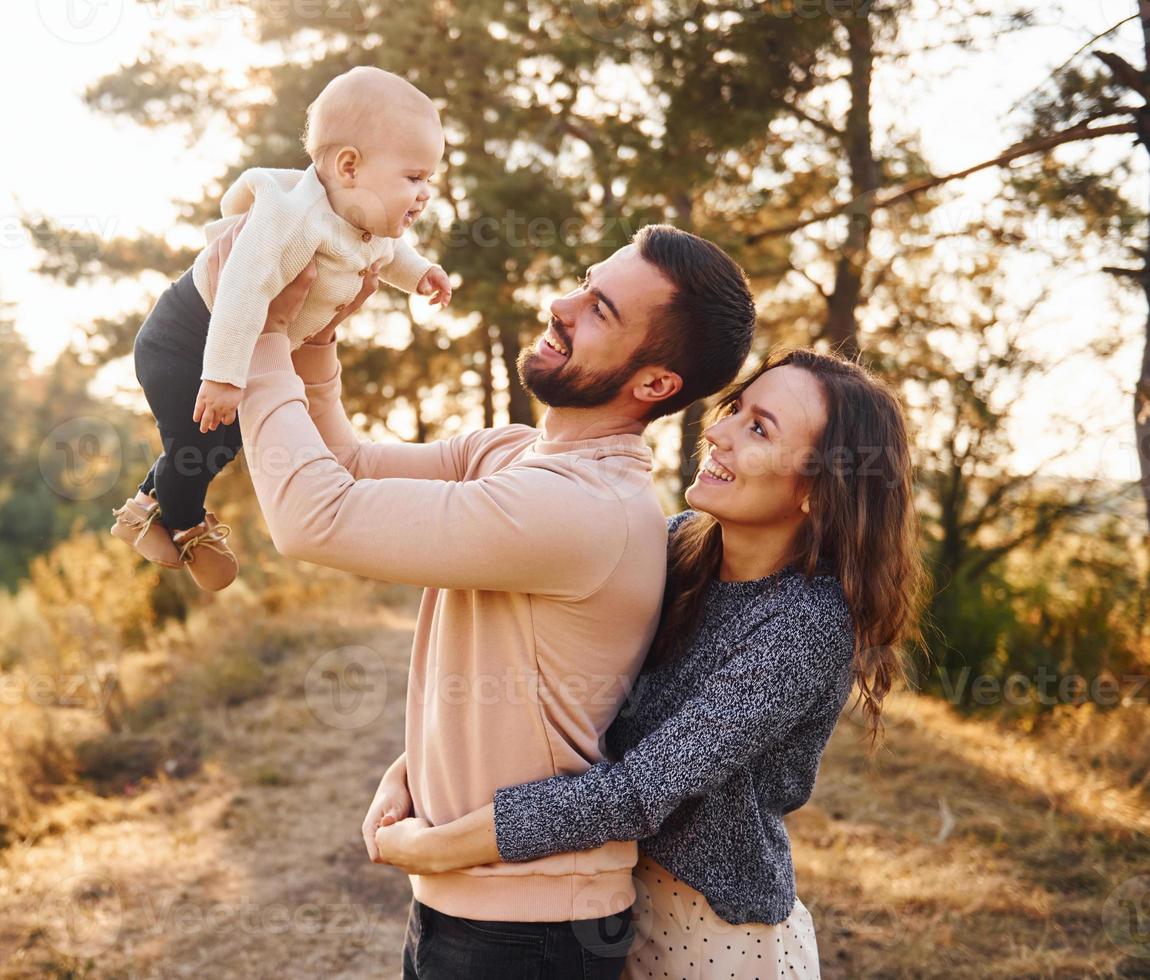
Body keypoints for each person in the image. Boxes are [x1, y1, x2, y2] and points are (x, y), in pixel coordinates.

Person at [207, 212, 757, 978]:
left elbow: (314, 518)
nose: (563, 306)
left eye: (601, 311)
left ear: (656, 384)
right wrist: (312, 336)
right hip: (478, 906)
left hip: (527, 930)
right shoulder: (513, 452)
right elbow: (351, 466)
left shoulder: (582, 507)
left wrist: (255, 330)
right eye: (584, 285)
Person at [372, 347, 926, 979]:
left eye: (759, 429)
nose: (716, 432)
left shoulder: (805, 625)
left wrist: (440, 847)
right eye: (735, 410)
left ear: (820, 491)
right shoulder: (677, 545)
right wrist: (414, 767)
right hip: (603, 900)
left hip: (711, 938)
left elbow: (638, 793)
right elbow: (551, 686)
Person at [109, 65, 452, 591]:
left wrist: (421, 274)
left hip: (228, 350)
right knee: (199, 445)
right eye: (414, 177)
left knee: (224, 442)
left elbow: (391, 252)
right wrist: (222, 374)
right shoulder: (290, 218)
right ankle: (183, 522)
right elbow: (241, 287)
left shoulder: (362, 221)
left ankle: (145, 509)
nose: (425, 193)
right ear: (349, 166)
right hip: (187, 338)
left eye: (429, 179)